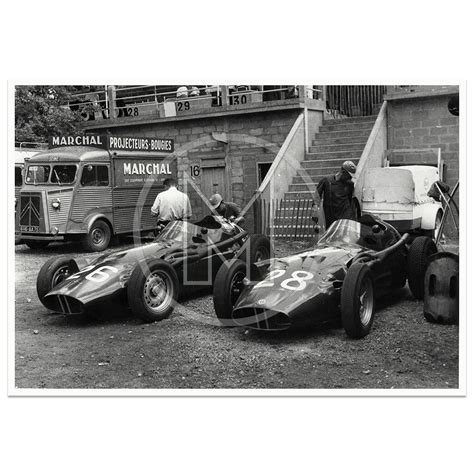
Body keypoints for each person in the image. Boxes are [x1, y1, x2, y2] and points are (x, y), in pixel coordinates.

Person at [315, 160, 357, 228]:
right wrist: (315, 210)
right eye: (349, 176)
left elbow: (350, 201)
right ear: (343, 172)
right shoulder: (327, 181)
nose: (350, 178)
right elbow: (316, 197)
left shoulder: (350, 184)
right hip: (330, 217)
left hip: (344, 218)